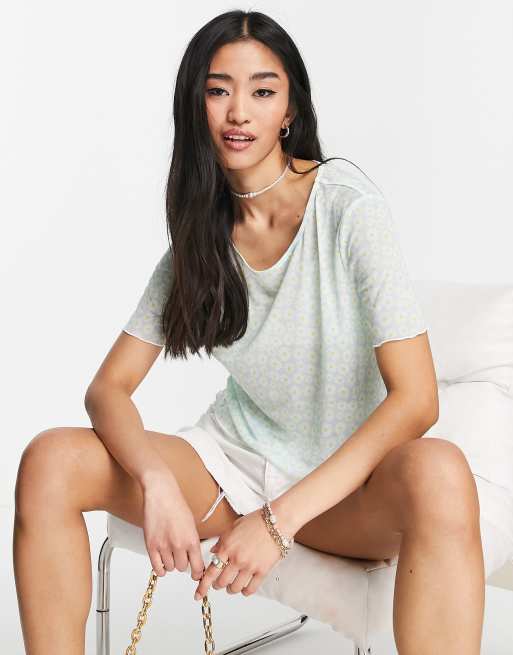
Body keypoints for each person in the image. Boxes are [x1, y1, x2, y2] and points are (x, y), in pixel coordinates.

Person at [13, 9, 513, 655]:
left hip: (342, 495)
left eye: (262, 90)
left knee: (439, 470)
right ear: (194, 106)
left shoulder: (346, 207)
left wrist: (276, 523)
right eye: (218, 90)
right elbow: (108, 388)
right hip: (234, 468)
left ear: (289, 111)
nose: (238, 112)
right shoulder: (201, 236)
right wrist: (156, 482)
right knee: (50, 461)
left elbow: (417, 400)